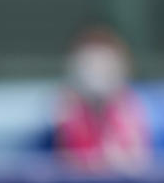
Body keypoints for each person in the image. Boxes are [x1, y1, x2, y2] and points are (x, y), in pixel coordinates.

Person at [54, 25, 151, 172]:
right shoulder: (65, 109)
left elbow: (137, 163)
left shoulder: (132, 107)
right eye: (90, 63)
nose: (97, 69)